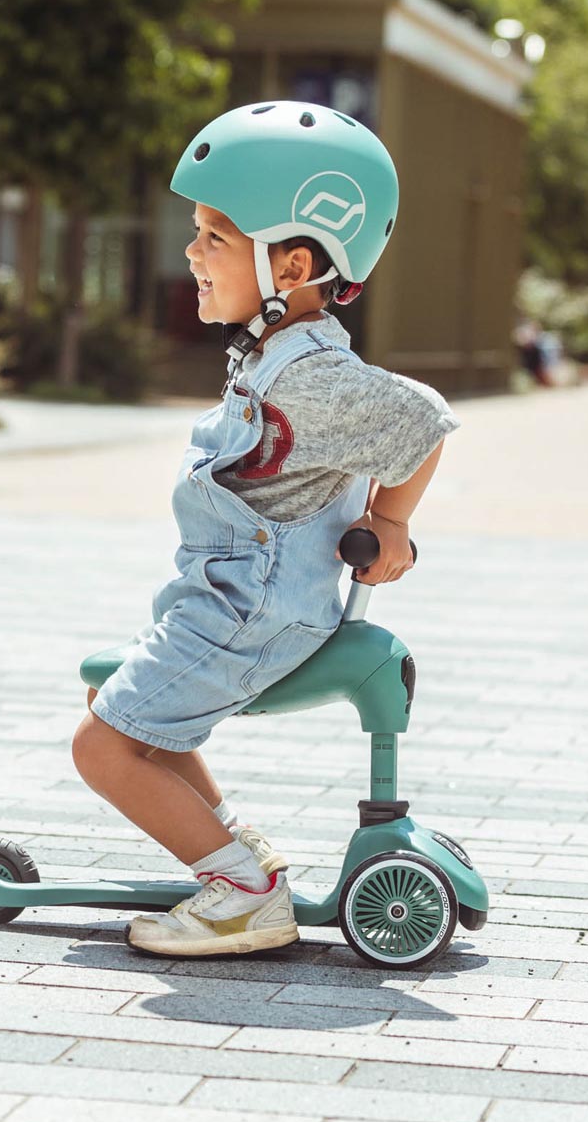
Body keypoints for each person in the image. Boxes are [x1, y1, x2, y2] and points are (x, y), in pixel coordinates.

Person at [71, 101, 460, 957]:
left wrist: (388, 521)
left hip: (254, 611)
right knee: (123, 711)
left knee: (102, 748)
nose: (191, 251)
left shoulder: (309, 373)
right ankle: (238, 856)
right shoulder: (277, 352)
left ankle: (245, 892)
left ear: (292, 261)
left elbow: (422, 422)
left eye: (214, 234)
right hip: (226, 599)